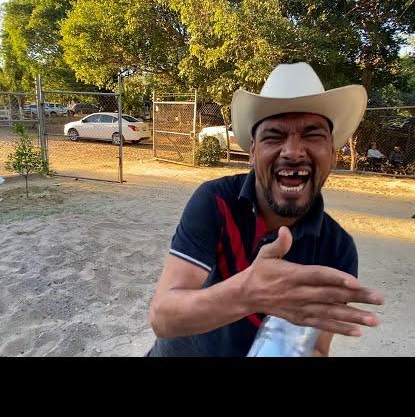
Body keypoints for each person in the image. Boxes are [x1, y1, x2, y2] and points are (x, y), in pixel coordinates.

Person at [147, 62, 384, 357]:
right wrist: (249, 292)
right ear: (252, 153)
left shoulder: (337, 250)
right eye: (274, 136)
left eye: (312, 135)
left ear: (333, 155)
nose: (293, 151)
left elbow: (317, 348)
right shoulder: (216, 201)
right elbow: (163, 318)